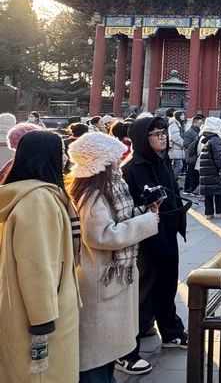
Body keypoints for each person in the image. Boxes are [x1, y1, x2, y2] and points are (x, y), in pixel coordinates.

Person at [66, 133, 160, 380]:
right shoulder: (93, 194)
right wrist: (147, 221)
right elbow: (101, 235)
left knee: (104, 355)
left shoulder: (102, 189)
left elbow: (116, 220)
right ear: (102, 162)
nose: (119, 164)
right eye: (114, 159)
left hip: (107, 276)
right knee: (96, 357)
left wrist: (142, 212)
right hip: (100, 277)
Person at [0, 130, 81, 382]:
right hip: (43, 311)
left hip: (29, 305)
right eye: (61, 153)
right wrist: (42, 320)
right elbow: (36, 264)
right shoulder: (39, 200)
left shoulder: (29, 194)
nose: (65, 159)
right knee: (44, 374)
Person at [119, 116, 190, 372]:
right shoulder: (129, 169)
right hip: (145, 241)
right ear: (142, 138)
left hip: (168, 234)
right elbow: (124, 210)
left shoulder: (162, 161)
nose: (163, 137)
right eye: (157, 134)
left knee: (167, 287)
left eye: (163, 133)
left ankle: (171, 332)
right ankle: (126, 350)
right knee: (140, 295)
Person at [196, 117, 221, 220]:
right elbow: (218, 157)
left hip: (206, 170)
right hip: (214, 170)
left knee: (208, 192)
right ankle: (220, 211)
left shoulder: (205, 137)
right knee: (218, 191)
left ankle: (208, 212)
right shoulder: (215, 139)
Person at [182, 115, 204, 195]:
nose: (201, 124)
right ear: (194, 123)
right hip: (191, 155)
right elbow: (186, 145)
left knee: (190, 173)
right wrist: (196, 144)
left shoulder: (198, 131)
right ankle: (192, 189)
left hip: (195, 155)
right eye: (200, 123)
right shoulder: (190, 132)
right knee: (192, 173)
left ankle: (187, 188)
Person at [167, 111, 186, 180]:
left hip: (177, 148)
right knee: (179, 165)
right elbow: (175, 137)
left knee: (176, 165)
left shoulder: (179, 124)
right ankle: (173, 180)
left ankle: (174, 181)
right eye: (182, 115)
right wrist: (183, 143)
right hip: (175, 148)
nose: (183, 116)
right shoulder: (174, 125)